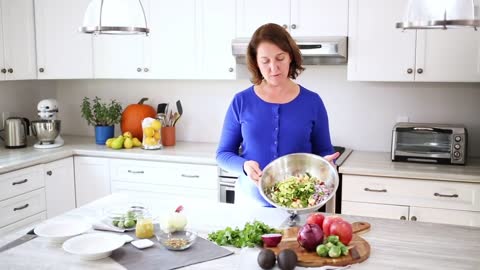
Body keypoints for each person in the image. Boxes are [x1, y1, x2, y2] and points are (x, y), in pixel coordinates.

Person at [216, 23, 339, 207]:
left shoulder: (312, 102)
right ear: (256, 63)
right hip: (252, 204)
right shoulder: (241, 101)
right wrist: (244, 166)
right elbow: (223, 154)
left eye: (280, 58)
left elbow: (324, 151)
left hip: (299, 206)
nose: (274, 67)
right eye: (265, 61)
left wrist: (327, 164)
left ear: (290, 57)